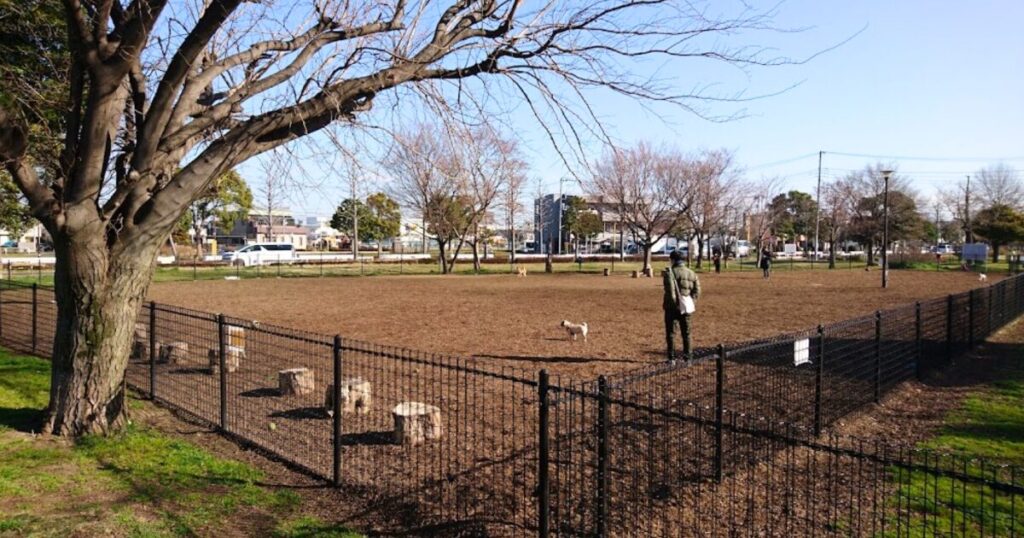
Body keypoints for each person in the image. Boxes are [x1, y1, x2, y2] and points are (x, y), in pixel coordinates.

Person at [663, 250, 700, 364]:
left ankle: (672, 358)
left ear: (672, 259)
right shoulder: (692, 273)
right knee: (687, 333)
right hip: (686, 307)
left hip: (672, 308)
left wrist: (675, 305)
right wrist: (690, 302)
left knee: (671, 333)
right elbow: (697, 290)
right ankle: (687, 358)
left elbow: (670, 292)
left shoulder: (670, 272)